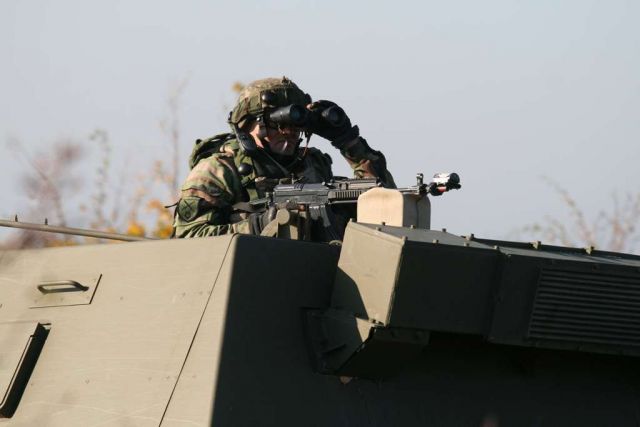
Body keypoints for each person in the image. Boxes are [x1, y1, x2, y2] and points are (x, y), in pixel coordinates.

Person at [172, 77, 395, 238]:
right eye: (277, 124)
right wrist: (257, 227)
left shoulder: (312, 164)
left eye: (297, 126)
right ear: (249, 125)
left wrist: (348, 142)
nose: (289, 132)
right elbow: (188, 237)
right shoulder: (218, 170)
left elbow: (383, 200)